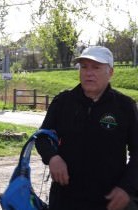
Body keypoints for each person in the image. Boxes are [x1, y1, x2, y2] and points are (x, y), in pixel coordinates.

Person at [35, 46, 138, 210]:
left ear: (110, 72)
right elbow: (42, 137)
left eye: (96, 67)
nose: (88, 72)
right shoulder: (63, 102)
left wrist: (127, 187)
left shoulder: (125, 106)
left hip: (108, 201)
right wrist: (52, 157)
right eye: (84, 67)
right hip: (65, 199)